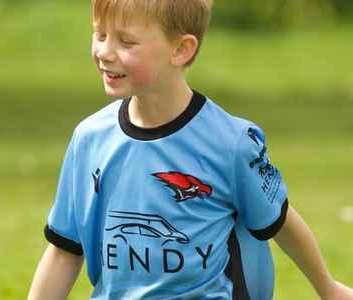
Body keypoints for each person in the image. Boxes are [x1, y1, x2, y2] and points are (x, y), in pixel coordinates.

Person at [26, 1, 353, 299]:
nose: (105, 52)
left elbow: (278, 220)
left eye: (126, 41)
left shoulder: (231, 143)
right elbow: (65, 251)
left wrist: (328, 288)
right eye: (100, 35)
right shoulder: (89, 139)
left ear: (181, 50)